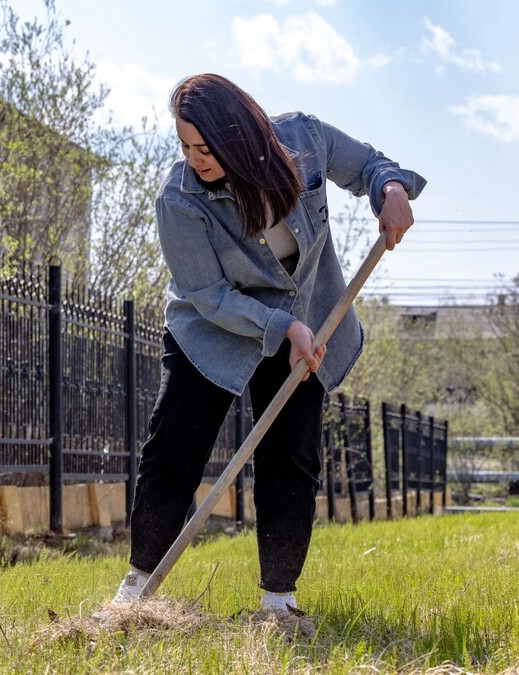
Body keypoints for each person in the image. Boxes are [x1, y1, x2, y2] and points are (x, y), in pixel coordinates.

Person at [110, 74, 426, 625]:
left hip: (306, 321)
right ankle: (137, 589)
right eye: (184, 145)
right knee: (173, 450)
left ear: (239, 135)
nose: (195, 159)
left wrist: (391, 189)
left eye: (205, 147)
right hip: (212, 329)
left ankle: (279, 603)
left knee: (291, 456)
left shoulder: (304, 139)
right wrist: (276, 326)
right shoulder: (179, 196)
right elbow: (207, 294)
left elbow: (371, 165)